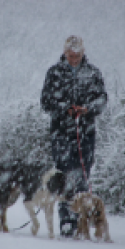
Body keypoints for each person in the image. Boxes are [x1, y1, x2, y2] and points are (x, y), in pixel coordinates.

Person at [40, 35, 108, 237]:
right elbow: (45, 101)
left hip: (85, 134)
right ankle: (67, 221)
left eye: (77, 55)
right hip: (61, 133)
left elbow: (102, 99)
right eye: (71, 55)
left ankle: (82, 221)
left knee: (82, 176)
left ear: (83, 52)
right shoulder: (54, 73)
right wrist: (66, 109)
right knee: (64, 178)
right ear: (65, 53)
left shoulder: (93, 73)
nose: (74, 58)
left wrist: (87, 109)